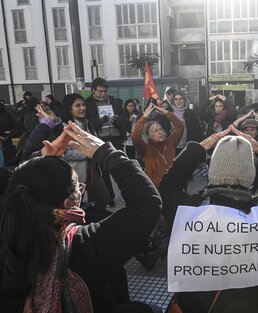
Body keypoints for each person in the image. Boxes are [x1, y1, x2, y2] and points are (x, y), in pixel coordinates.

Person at [0, 121, 162, 313]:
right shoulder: (83, 246)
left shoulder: (6, 225)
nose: (83, 190)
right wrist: (107, 153)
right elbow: (147, 203)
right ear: (69, 203)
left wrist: (39, 164)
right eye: (79, 188)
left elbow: (18, 188)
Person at [158, 125, 258, 313]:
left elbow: (168, 185)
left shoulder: (189, 211)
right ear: (251, 174)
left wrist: (196, 150)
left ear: (212, 170)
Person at [85, 77, 125, 206]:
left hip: (115, 138)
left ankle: (127, 195)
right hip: (100, 140)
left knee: (120, 168)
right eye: (100, 91)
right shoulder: (88, 103)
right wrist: (103, 120)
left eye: (105, 91)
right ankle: (110, 197)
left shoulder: (113, 101)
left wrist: (116, 120)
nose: (103, 94)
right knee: (104, 170)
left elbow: (124, 118)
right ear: (93, 91)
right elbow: (88, 122)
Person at [131, 102, 184, 188]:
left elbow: (180, 127)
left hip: (174, 185)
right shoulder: (145, 149)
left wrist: (166, 113)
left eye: (160, 129)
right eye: (155, 131)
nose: (160, 132)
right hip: (156, 187)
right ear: (148, 136)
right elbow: (135, 137)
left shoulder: (170, 142)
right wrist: (144, 117)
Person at [167, 91, 203, 156]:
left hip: (187, 146)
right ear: (173, 101)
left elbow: (197, 130)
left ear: (184, 100)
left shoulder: (190, 113)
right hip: (172, 147)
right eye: (176, 99)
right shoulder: (168, 112)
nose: (178, 101)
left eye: (180, 98)